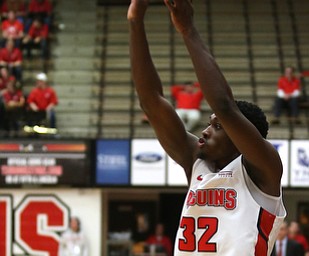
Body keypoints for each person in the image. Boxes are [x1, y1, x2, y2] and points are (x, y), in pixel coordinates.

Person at [128, 1, 286, 255]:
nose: (205, 131)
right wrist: (135, 22)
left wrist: (188, 30)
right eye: (209, 124)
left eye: (217, 127)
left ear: (241, 137)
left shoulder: (264, 169)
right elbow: (151, 102)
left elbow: (225, 106)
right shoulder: (197, 161)